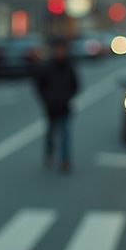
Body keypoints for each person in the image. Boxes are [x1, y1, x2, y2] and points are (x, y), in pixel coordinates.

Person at [36, 39, 79, 172]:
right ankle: (49, 154)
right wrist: (47, 99)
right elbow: (39, 85)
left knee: (65, 134)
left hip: (64, 107)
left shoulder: (69, 66)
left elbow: (76, 85)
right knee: (50, 133)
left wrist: (67, 97)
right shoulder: (47, 67)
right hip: (51, 108)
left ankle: (64, 160)